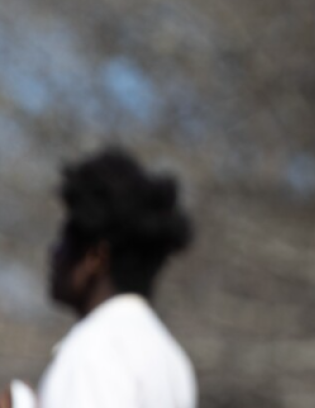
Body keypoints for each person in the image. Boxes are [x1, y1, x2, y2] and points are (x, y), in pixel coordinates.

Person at [6, 147, 198, 408]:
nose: (54, 252)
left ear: (96, 258)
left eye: (67, 240)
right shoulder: (171, 359)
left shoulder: (92, 355)